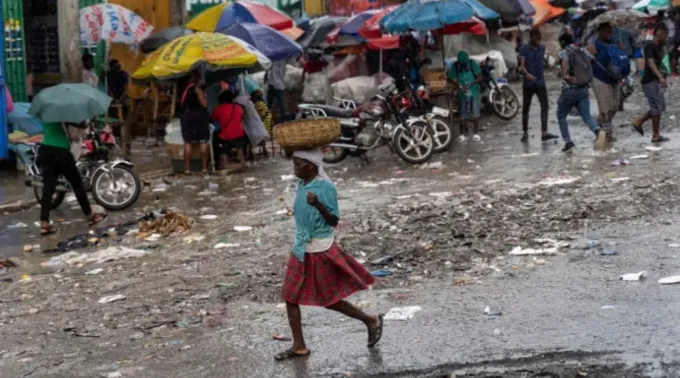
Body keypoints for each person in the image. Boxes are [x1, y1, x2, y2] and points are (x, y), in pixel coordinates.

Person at [276, 149, 383, 361]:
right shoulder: (302, 184)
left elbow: (334, 221)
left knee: (329, 299)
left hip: (319, 249)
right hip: (300, 248)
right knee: (290, 296)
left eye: (298, 164)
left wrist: (317, 204)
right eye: (294, 164)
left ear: (311, 165)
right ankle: (299, 346)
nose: (294, 168)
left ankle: (371, 321)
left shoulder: (325, 187)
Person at [38, 122, 107, 236]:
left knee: (48, 188)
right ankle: (90, 215)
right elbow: (77, 124)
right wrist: (84, 125)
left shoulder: (46, 112)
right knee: (77, 183)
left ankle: (44, 224)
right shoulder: (62, 112)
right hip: (60, 152)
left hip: (45, 150)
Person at [556, 32, 607, 153]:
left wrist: (566, 76)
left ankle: (568, 142)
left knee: (561, 115)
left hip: (570, 89)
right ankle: (598, 131)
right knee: (586, 116)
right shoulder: (583, 51)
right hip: (584, 88)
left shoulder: (564, 52)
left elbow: (564, 72)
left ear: (562, 42)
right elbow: (594, 61)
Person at [632, 24, 670, 144]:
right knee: (656, 108)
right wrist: (660, 77)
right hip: (650, 80)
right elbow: (650, 62)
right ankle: (655, 135)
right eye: (665, 35)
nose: (666, 37)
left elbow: (662, 62)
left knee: (660, 107)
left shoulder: (659, 46)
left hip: (656, 81)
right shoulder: (649, 44)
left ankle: (639, 122)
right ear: (660, 33)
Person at [519, 30, 557, 143]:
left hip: (540, 82)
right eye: (536, 38)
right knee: (526, 108)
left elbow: (542, 62)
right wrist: (527, 74)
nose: (538, 40)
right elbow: (521, 66)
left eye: (539, 38)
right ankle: (525, 132)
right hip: (528, 83)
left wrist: (547, 64)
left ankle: (544, 132)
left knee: (545, 106)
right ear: (531, 38)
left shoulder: (542, 48)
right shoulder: (524, 49)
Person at [588, 22, 622, 143]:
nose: (609, 33)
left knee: (615, 106)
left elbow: (621, 59)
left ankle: (598, 125)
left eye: (610, 31)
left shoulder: (614, 43)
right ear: (601, 32)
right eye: (607, 31)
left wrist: (621, 51)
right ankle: (608, 134)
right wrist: (591, 54)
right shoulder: (594, 45)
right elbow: (586, 60)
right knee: (605, 108)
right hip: (599, 78)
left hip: (613, 78)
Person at [447, 51, 483, 143]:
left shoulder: (472, 63)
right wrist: (459, 84)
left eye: (464, 63)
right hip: (462, 92)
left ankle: (475, 133)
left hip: (473, 91)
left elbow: (480, 77)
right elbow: (451, 77)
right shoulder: (455, 66)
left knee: (475, 113)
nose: (463, 65)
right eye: (461, 63)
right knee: (462, 114)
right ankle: (463, 134)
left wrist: (470, 84)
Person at [180, 71, 210, 175]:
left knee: (188, 142)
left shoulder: (184, 91)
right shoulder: (197, 89)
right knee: (203, 141)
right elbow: (204, 104)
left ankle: (187, 169)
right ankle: (204, 168)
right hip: (199, 117)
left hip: (187, 118)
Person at [211, 89, 247, 170]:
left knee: (218, 138)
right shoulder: (238, 107)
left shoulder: (218, 109)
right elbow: (241, 117)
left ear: (222, 100)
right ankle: (242, 162)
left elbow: (213, 119)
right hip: (239, 135)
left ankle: (223, 163)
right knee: (239, 147)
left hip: (226, 136)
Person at [251, 89, 272, 157]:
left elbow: (259, 115)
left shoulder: (258, 104)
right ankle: (264, 149)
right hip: (268, 119)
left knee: (261, 135)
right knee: (263, 135)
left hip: (265, 121)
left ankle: (264, 149)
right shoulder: (262, 102)